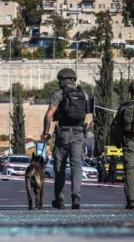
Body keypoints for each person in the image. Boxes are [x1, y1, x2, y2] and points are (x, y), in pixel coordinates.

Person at [43, 68, 88, 210]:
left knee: (59, 167)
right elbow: (89, 116)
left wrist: (46, 132)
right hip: (80, 133)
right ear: (74, 79)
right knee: (76, 166)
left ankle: (60, 199)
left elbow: (49, 115)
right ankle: (76, 198)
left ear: (61, 80)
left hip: (63, 134)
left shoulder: (59, 94)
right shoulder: (83, 94)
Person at [110, 80, 134, 209]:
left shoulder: (124, 106)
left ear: (130, 92)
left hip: (130, 142)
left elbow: (116, 126)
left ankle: (131, 200)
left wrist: (116, 141)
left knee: (129, 171)